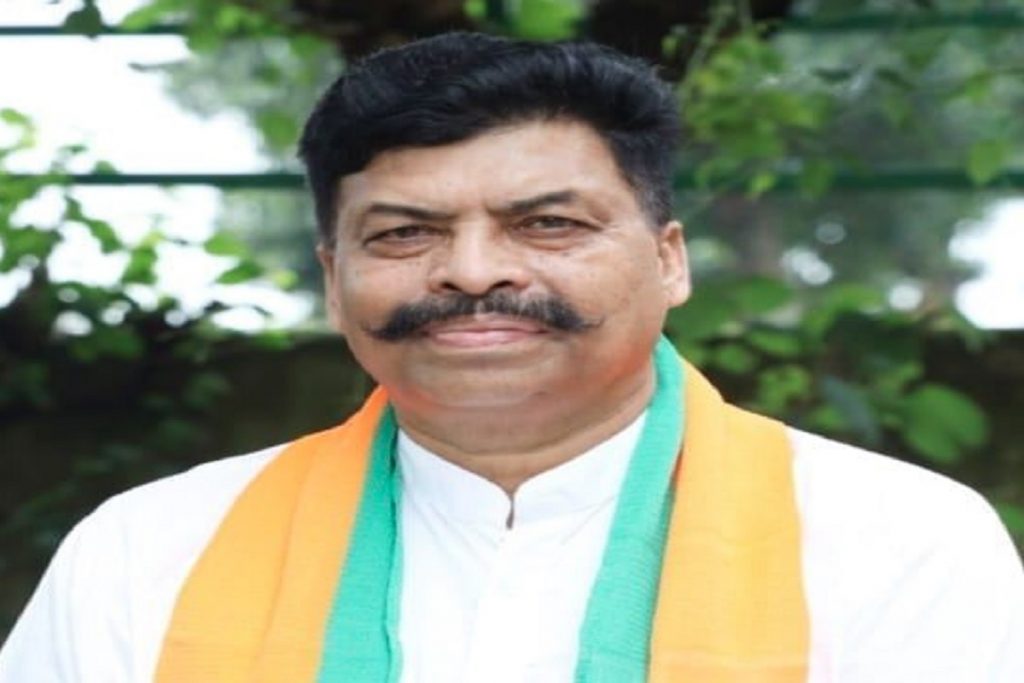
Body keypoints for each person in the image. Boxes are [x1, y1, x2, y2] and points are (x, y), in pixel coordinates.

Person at [1, 32, 1022, 683]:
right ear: (333, 279)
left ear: (669, 260)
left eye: (547, 223)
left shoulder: (897, 541)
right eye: (403, 233)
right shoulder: (148, 550)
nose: (471, 270)